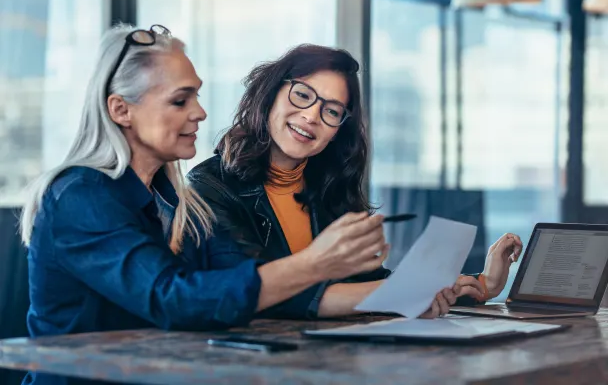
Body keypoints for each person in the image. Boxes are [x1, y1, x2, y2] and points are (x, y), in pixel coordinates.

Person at [19, 26, 404, 385]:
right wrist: (316, 263)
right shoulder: (80, 195)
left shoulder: (174, 199)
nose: (199, 112)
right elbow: (175, 299)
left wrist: (407, 294)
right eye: (180, 100)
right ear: (121, 110)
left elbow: (246, 285)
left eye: (197, 96)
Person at [187, 44, 523, 319]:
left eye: (331, 111)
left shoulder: (327, 187)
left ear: (338, 131)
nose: (311, 116)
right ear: (271, 93)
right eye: (302, 95)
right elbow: (258, 292)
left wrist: (482, 284)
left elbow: (366, 283)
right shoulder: (208, 187)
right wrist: (401, 295)